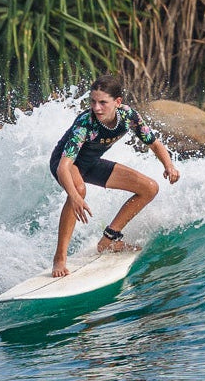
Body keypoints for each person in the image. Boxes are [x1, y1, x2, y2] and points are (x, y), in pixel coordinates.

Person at [49, 74, 180, 277]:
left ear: (117, 102)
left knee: (149, 188)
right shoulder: (85, 122)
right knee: (79, 189)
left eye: (103, 102)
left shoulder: (129, 116)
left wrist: (169, 166)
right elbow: (63, 167)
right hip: (65, 163)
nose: (97, 107)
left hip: (90, 164)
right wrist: (74, 197)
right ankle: (59, 258)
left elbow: (153, 142)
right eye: (93, 102)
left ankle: (108, 240)